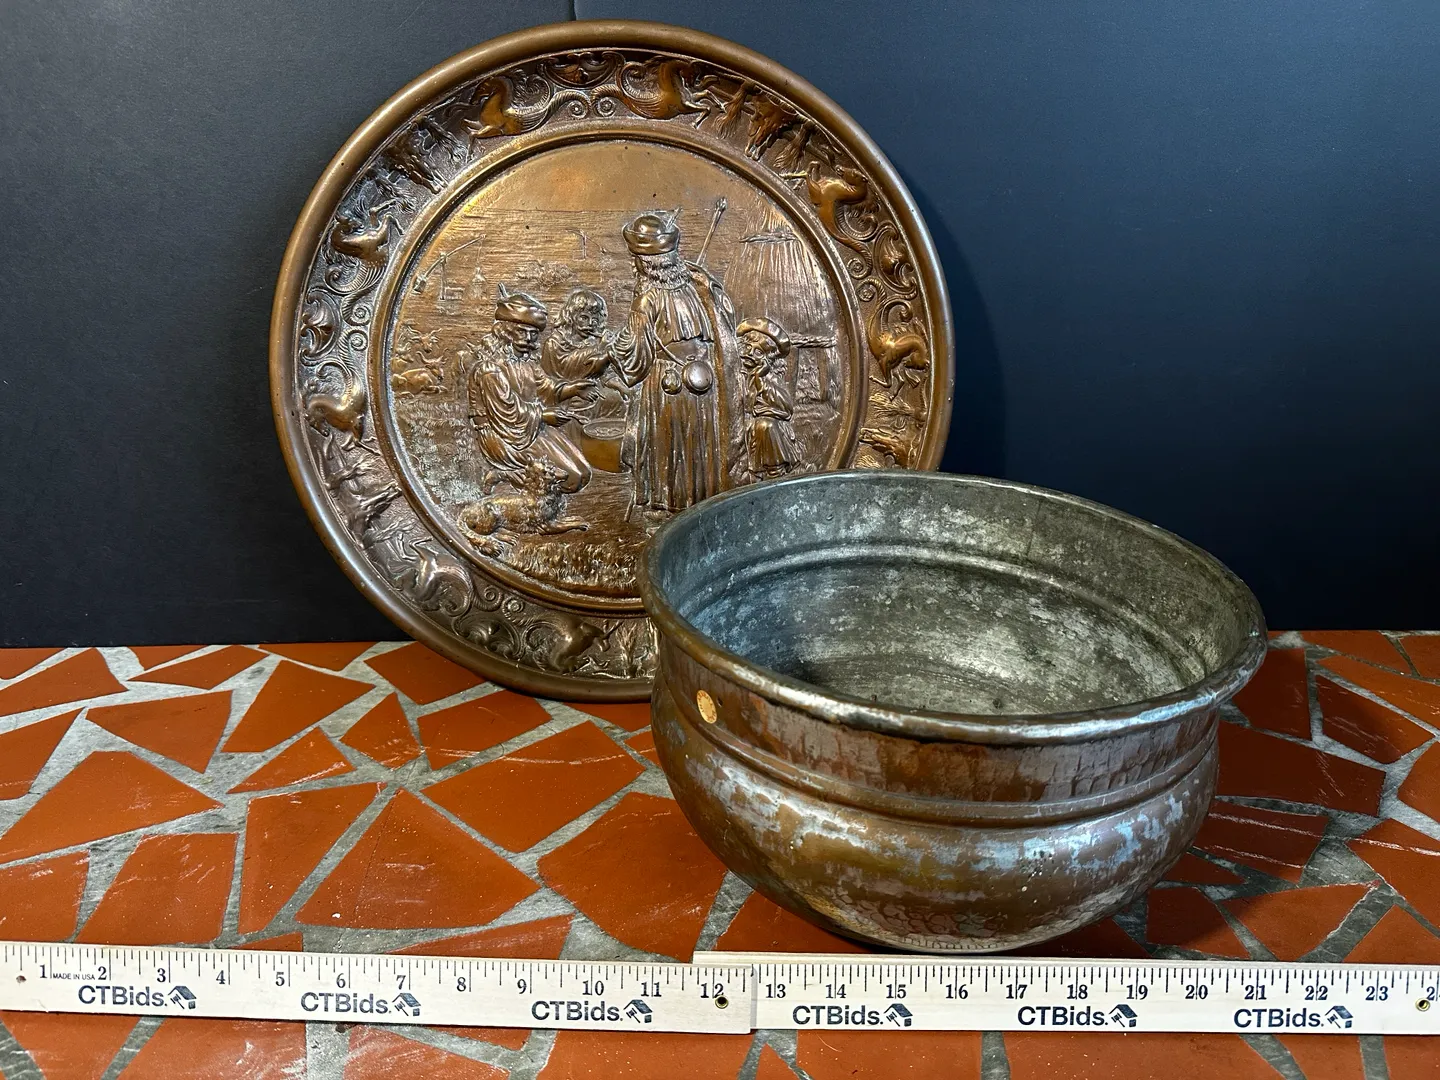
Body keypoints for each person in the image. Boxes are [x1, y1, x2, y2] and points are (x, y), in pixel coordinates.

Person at [611, 211, 741, 515]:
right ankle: (701, 500)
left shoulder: (646, 300)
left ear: (644, 262)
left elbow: (635, 356)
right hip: (703, 380)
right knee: (698, 442)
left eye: (635, 259)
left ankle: (669, 504)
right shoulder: (695, 286)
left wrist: (614, 348)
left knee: (669, 442)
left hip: (667, 384)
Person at [466, 285, 591, 493]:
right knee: (571, 479)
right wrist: (543, 416)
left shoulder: (527, 363)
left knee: (584, 473)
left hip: (529, 428)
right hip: (503, 436)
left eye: (533, 334)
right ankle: (507, 479)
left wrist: (573, 389)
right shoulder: (490, 369)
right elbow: (507, 412)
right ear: (505, 331)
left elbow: (546, 389)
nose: (528, 339)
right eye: (521, 332)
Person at [737, 317, 800, 478]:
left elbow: (786, 408)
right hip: (746, 427)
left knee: (766, 425)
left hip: (766, 429)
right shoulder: (738, 375)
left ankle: (775, 471)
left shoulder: (770, 379)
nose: (750, 354)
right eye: (747, 348)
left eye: (758, 352)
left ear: (767, 359)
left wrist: (759, 379)